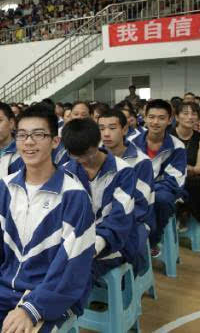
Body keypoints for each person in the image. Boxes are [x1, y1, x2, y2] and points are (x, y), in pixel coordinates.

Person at [0, 105, 95, 333]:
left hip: (50, 295)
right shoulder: (4, 188)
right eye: (23, 135)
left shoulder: (74, 195)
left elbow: (72, 267)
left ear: (55, 142)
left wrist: (32, 308)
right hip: (3, 288)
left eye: (39, 135)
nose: (29, 142)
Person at [62, 118, 137, 278]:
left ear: (98, 142)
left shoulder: (123, 172)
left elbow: (120, 217)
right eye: (76, 156)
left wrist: (96, 243)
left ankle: (69, 303)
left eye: (88, 154)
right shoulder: (65, 172)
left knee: (77, 272)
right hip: (74, 241)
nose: (82, 160)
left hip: (113, 242)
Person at [98, 109, 155, 275]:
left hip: (133, 219)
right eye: (101, 128)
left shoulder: (141, 161)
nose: (106, 134)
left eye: (112, 128)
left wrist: (111, 222)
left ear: (124, 130)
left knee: (132, 247)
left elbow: (141, 204)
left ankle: (131, 283)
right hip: (99, 218)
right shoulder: (95, 156)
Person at [132, 99, 187, 257]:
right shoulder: (131, 143)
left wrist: (148, 189)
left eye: (161, 118)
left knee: (161, 200)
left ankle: (151, 241)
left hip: (163, 192)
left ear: (170, 120)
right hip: (137, 188)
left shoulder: (177, 147)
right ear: (145, 117)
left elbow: (174, 181)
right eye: (151, 117)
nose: (155, 122)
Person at [170, 103, 200, 228]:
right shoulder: (167, 136)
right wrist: (187, 168)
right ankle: (181, 212)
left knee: (192, 184)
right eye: (185, 113)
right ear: (177, 117)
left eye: (193, 114)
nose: (190, 117)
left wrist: (180, 167)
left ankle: (183, 212)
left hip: (192, 180)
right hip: (170, 179)